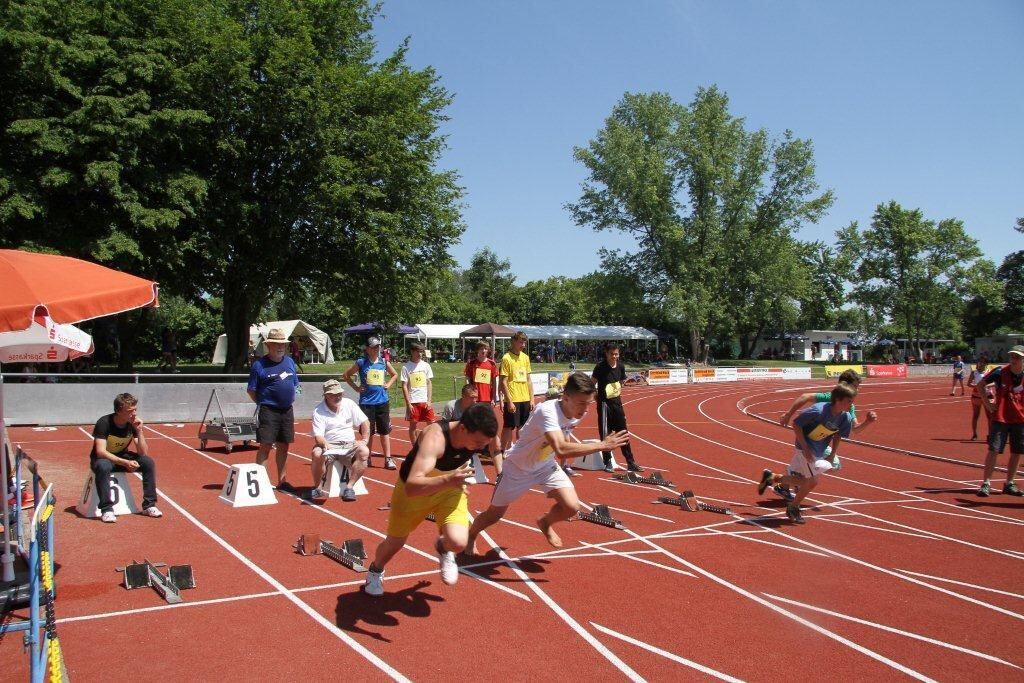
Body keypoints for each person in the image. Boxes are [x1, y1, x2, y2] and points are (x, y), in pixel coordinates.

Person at [465, 373, 629, 553]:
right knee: (494, 515)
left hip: (545, 465)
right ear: (565, 397)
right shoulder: (547, 411)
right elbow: (561, 449)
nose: (585, 409)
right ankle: (471, 535)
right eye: (582, 403)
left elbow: (563, 439)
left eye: (589, 403)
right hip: (518, 467)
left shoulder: (577, 412)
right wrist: (603, 445)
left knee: (571, 506)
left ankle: (545, 522)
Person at [363, 403, 498, 596]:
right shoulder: (434, 437)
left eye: (484, 444)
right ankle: (375, 570)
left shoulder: (479, 435)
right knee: (395, 543)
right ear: (463, 428)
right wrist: (448, 480)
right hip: (415, 490)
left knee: (459, 541)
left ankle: (443, 548)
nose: (481, 448)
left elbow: (494, 448)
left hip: (450, 487)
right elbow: (412, 487)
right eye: (478, 444)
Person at [758, 383, 857, 524]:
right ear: (839, 400)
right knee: (812, 482)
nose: (852, 405)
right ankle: (793, 507)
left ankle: (772, 478)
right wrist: (805, 448)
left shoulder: (845, 417)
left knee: (803, 481)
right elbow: (796, 424)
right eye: (849, 401)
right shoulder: (818, 410)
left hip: (819, 450)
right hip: (805, 449)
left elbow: (838, 435)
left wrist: (833, 453)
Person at [777, 369, 877, 500]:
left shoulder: (849, 406)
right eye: (856, 387)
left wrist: (867, 422)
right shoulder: (832, 399)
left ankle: (788, 480)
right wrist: (788, 414)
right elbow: (804, 397)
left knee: (828, 464)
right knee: (815, 473)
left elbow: (855, 429)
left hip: (821, 441)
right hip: (808, 439)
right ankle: (795, 484)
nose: (858, 390)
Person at [89, 393, 161, 522]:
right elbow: (100, 452)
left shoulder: (132, 423)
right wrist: (124, 462)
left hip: (122, 457)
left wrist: (139, 430)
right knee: (103, 465)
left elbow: (143, 452)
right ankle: (107, 510)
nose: (134, 413)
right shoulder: (104, 422)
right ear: (118, 411)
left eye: (135, 410)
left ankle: (149, 505)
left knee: (148, 462)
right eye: (129, 411)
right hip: (104, 459)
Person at [247, 328, 300, 491]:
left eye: (283, 344)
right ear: (269, 345)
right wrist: (263, 403)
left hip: (287, 410)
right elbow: (251, 390)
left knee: (284, 446)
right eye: (276, 344)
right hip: (268, 410)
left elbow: (296, 384)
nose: (280, 347)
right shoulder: (259, 365)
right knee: (266, 445)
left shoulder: (290, 362)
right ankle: (261, 483)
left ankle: (282, 481)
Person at [974, 345, 1024, 497]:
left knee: (1017, 451)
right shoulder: (1000, 372)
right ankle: (986, 483)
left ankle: (1009, 483)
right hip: (1001, 417)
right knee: (994, 449)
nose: (1014, 359)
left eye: (1017, 357)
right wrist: (987, 403)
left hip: (1020, 418)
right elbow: (981, 384)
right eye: (1012, 356)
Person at [309, 380, 370, 502]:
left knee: (364, 451)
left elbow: (365, 422)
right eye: (334, 394)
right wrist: (326, 445)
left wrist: (365, 440)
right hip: (329, 444)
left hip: (349, 444)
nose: (338, 397)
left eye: (339, 394)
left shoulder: (349, 404)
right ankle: (318, 487)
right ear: (326, 395)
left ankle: (349, 487)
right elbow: (319, 437)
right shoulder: (318, 411)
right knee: (316, 453)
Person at [343, 336, 398, 470]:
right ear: (367, 349)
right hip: (367, 403)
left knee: (384, 431)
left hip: (382, 401)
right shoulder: (361, 362)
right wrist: (356, 388)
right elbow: (346, 375)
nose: (377, 349)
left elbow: (395, 374)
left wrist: (388, 384)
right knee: (369, 432)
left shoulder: (383, 362)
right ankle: (367, 457)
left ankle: (388, 459)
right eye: (374, 347)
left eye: (378, 346)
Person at [592, 342, 644, 474]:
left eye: (616, 354)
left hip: (617, 404)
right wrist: (596, 396)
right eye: (612, 354)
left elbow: (621, 381)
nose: (614, 356)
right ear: (606, 353)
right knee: (606, 433)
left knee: (623, 432)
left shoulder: (620, 366)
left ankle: (630, 462)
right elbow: (591, 383)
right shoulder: (600, 367)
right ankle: (608, 461)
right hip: (604, 404)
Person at [499, 331, 534, 459]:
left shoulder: (525, 358)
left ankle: (520, 452)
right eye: (520, 342)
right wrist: (509, 400)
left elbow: (529, 380)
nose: (523, 344)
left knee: (523, 428)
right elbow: (503, 381)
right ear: (513, 342)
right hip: (513, 398)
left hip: (525, 398)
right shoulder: (506, 358)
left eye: (524, 342)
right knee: (509, 426)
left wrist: (532, 399)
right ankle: (501, 452)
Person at [401, 343, 436, 444]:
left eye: (421, 351)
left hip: (425, 401)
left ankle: (430, 445)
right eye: (418, 351)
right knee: (413, 426)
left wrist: (429, 400)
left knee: (431, 425)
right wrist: (408, 403)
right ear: (412, 351)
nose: (420, 354)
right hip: (413, 401)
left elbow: (429, 383)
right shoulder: (406, 367)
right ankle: (415, 448)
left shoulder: (426, 366)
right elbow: (404, 386)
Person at [967, 357, 995, 440]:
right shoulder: (974, 373)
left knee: (990, 416)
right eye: (979, 362)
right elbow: (969, 383)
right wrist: (977, 386)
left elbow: (994, 382)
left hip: (987, 396)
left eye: (983, 362)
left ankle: (990, 435)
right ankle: (974, 434)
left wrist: (986, 385)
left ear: (986, 364)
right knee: (976, 415)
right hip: (976, 396)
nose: (980, 363)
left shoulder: (989, 372)